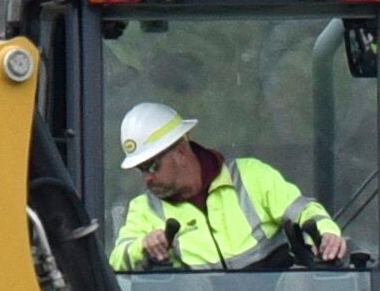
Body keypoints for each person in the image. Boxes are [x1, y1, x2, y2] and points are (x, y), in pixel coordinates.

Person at [111, 101, 345, 272]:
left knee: (298, 284)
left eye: (151, 166)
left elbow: (304, 211)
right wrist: (143, 245)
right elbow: (117, 259)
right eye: (140, 170)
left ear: (181, 152)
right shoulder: (143, 209)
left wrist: (328, 234)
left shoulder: (251, 175)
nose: (147, 179)